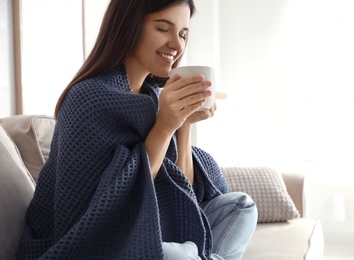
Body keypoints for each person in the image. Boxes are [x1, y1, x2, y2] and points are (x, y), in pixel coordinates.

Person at [18, 0, 258, 259]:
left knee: (241, 206)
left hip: (154, 225)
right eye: (163, 28)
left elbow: (184, 189)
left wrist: (183, 124)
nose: (177, 45)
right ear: (129, 26)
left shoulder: (154, 96)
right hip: (101, 242)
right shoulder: (87, 98)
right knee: (180, 256)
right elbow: (106, 209)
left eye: (183, 34)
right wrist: (165, 125)